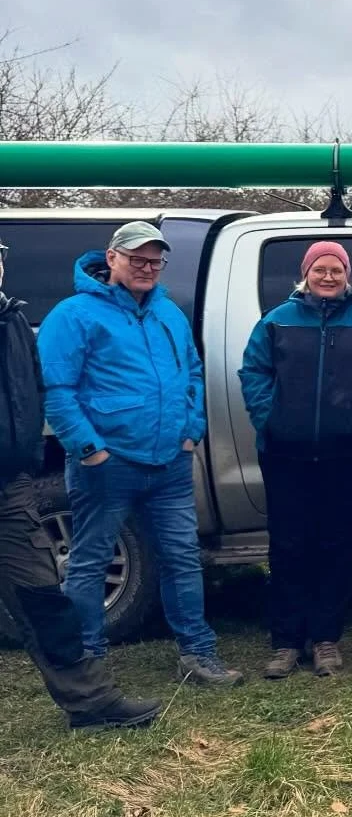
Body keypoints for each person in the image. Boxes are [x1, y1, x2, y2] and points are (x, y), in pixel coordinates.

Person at [36, 223, 243, 688]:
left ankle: (197, 653)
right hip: (107, 467)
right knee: (89, 562)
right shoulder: (74, 316)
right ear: (112, 259)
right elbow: (56, 389)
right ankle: (85, 663)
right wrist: (89, 450)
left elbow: (192, 372)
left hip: (169, 462)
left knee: (182, 558)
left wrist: (191, 430)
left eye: (155, 261)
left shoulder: (167, 313)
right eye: (137, 259)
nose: (147, 268)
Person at [0, 239, 161, 730]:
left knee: (43, 597)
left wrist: (25, 458)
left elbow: (35, 391)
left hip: (9, 487)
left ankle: (90, 703)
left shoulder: (12, 322)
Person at [238, 241, 352, 680]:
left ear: (347, 275)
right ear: (306, 274)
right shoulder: (277, 321)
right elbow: (253, 371)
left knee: (337, 544)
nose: (328, 277)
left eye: (336, 270)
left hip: (349, 451)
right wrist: (269, 417)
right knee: (289, 545)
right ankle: (286, 642)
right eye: (320, 269)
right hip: (284, 451)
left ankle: (327, 639)